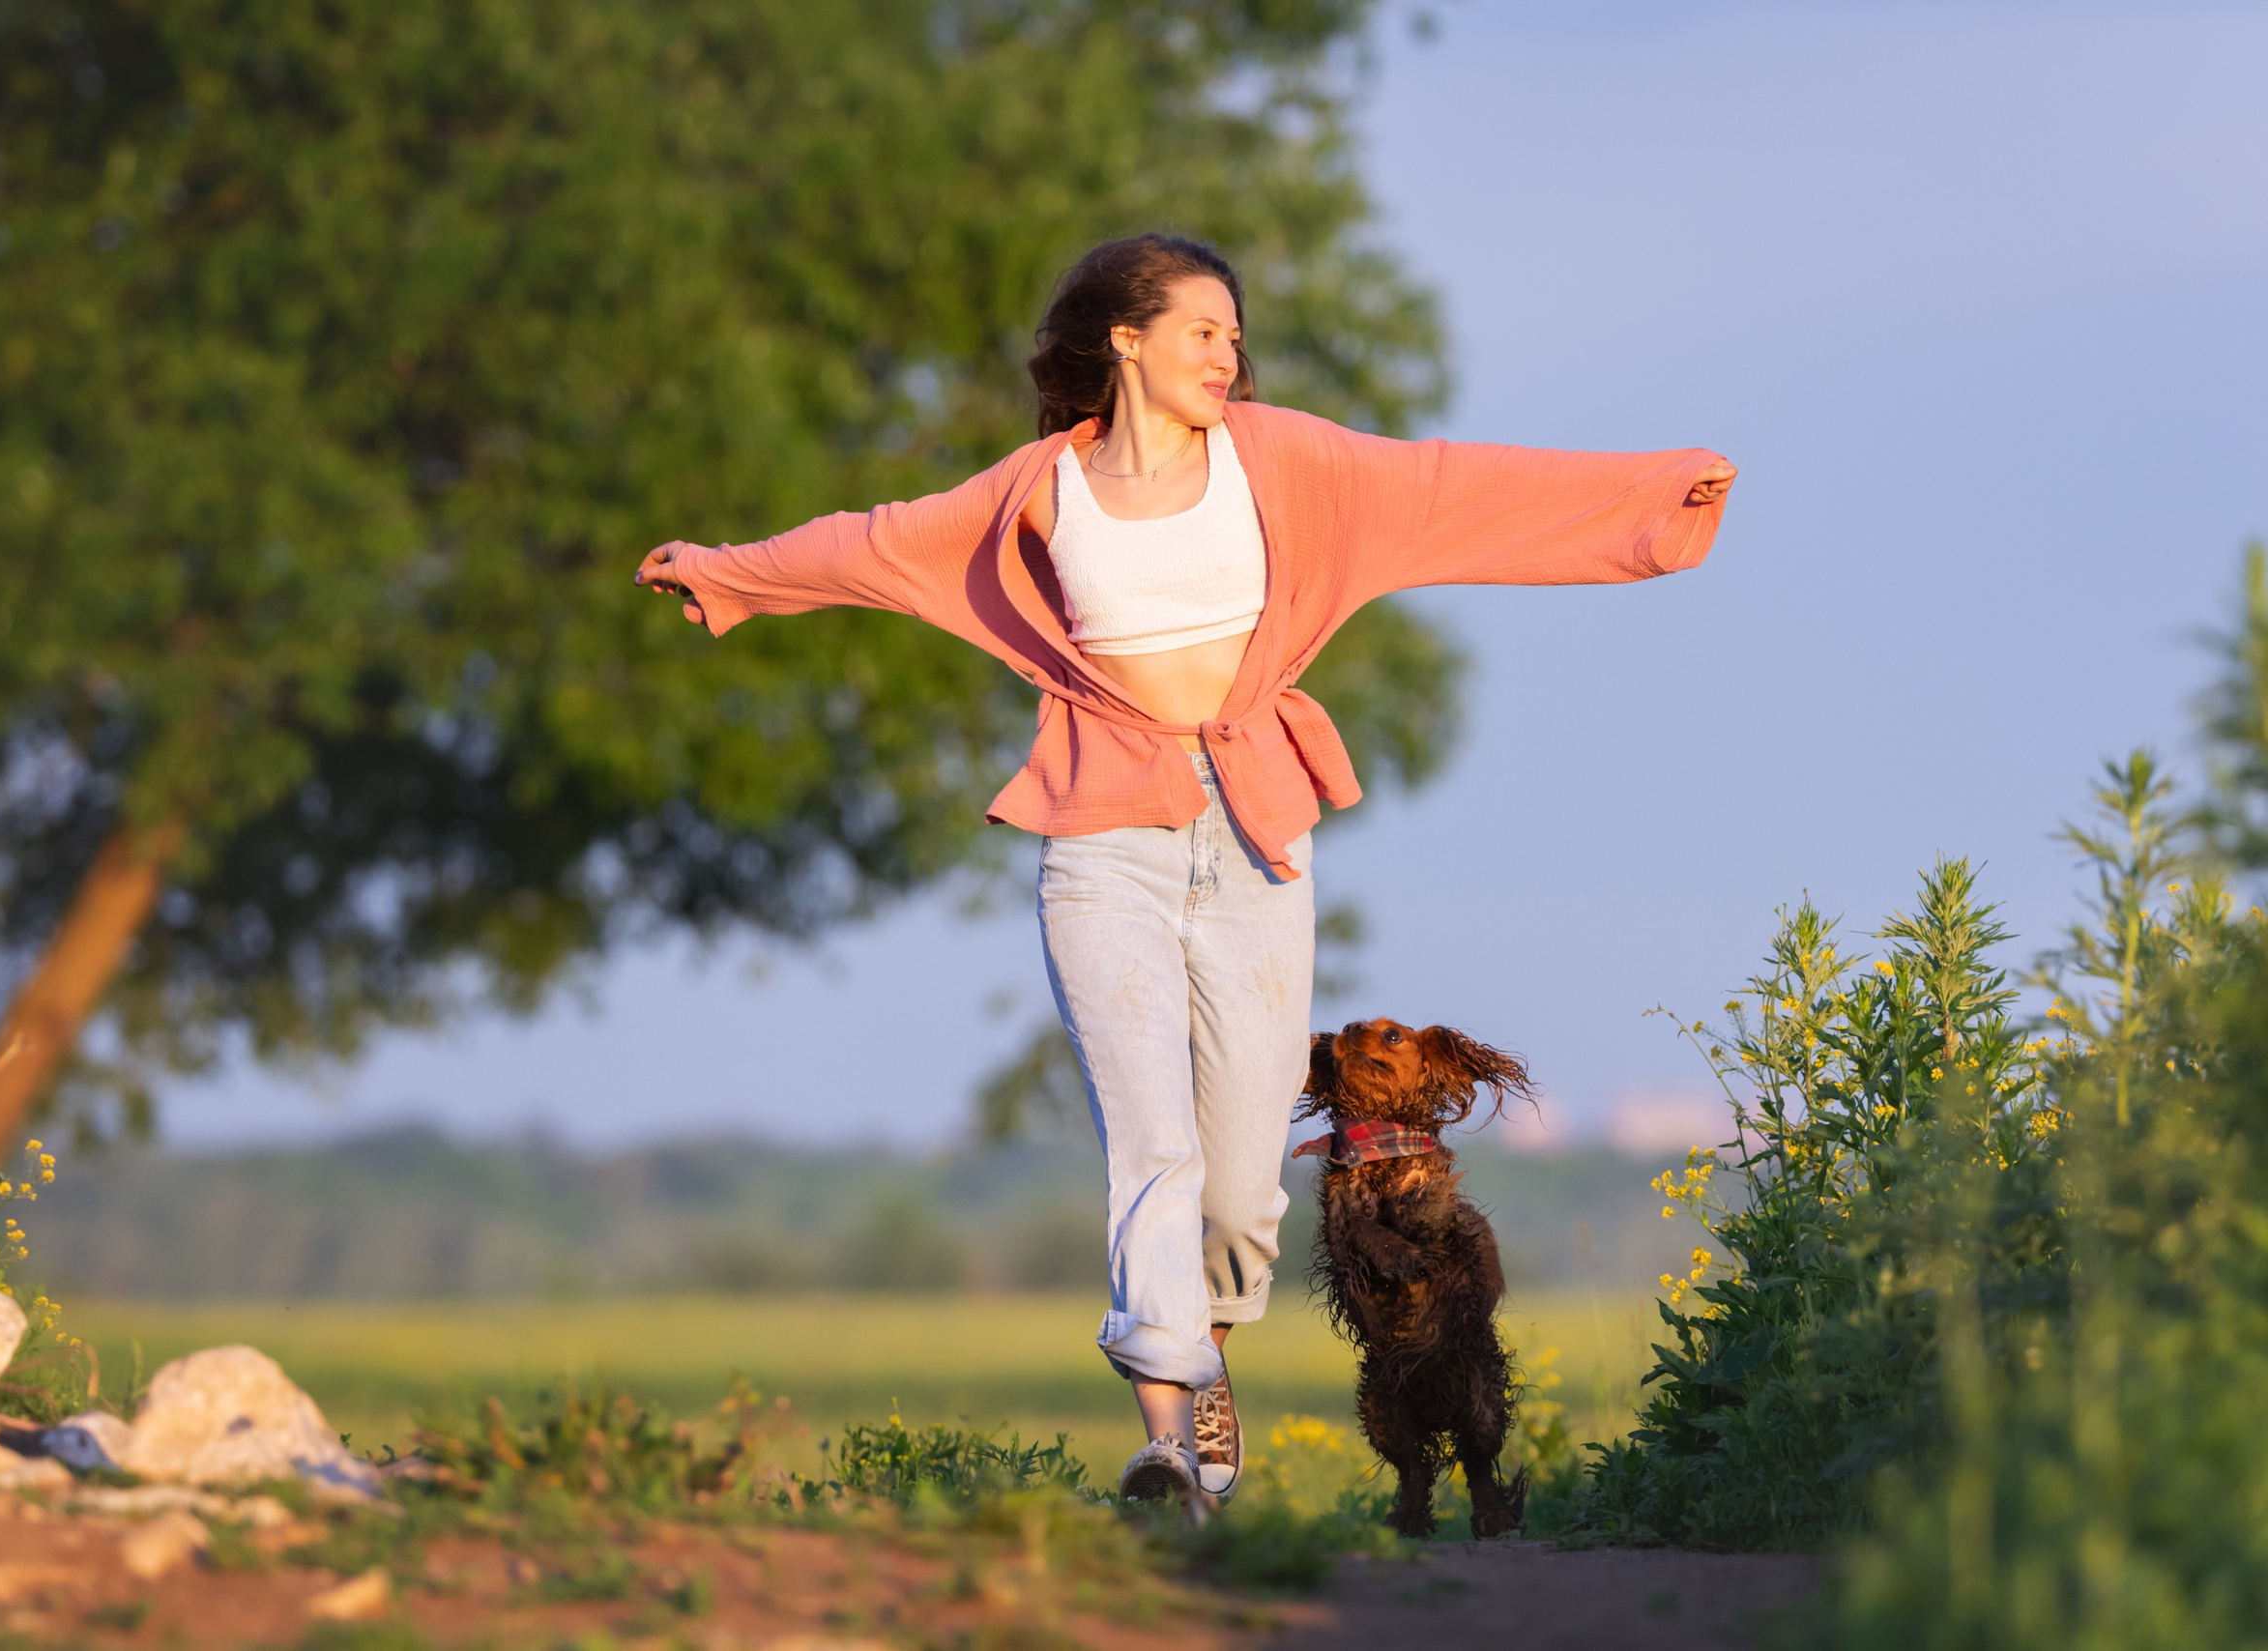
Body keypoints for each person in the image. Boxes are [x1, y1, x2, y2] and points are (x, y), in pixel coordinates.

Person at [636, 232, 1735, 1515]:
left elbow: (1449, 488)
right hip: (1103, 835)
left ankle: (1205, 1345)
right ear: (1128, 340)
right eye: (1204, 330)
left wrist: (1655, 497)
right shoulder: (1037, 487)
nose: (1228, 351)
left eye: (1233, 334)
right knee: (1148, 1149)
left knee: (1237, 1178)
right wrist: (729, 576)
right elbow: (877, 547)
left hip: (1253, 832)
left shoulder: (1284, 459)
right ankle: (1173, 1444)